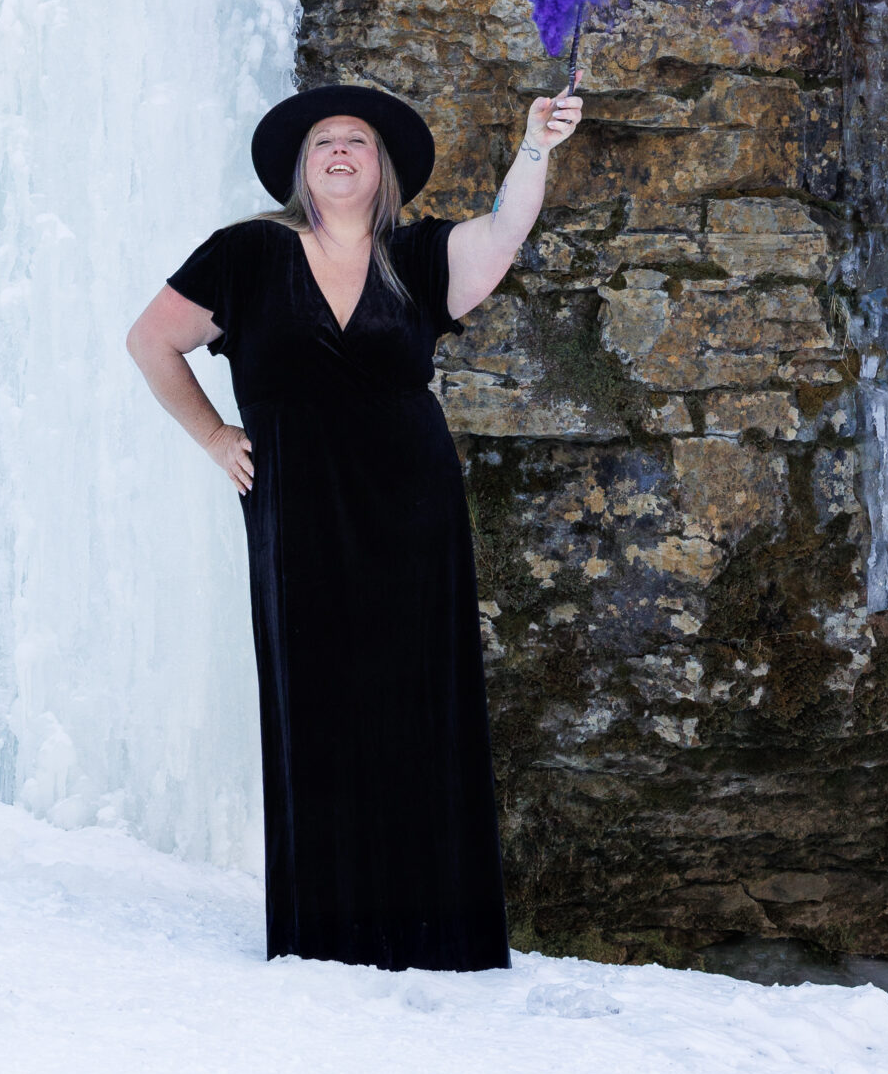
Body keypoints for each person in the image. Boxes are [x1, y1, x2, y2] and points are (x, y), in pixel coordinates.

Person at [125, 75, 583, 973]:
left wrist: (535, 144)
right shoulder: (245, 253)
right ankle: (328, 938)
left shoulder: (417, 257)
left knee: (420, 696)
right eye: (324, 141)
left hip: (410, 500)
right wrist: (215, 435)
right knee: (319, 698)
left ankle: (435, 935)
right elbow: (150, 342)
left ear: (382, 170)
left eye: (358, 141)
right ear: (302, 167)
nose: (340, 150)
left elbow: (503, 232)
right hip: (295, 501)